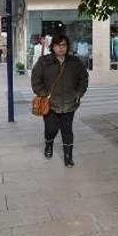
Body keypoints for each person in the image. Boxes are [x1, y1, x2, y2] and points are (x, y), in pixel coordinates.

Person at [31, 35, 89, 167]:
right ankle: (49, 143)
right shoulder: (44, 61)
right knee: (51, 129)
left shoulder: (75, 62)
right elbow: (35, 80)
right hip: (50, 104)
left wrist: (79, 93)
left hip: (69, 103)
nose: (61, 48)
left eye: (63, 45)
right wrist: (44, 94)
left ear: (67, 46)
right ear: (53, 47)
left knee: (67, 130)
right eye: (58, 45)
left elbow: (84, 78)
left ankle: (68, 157)